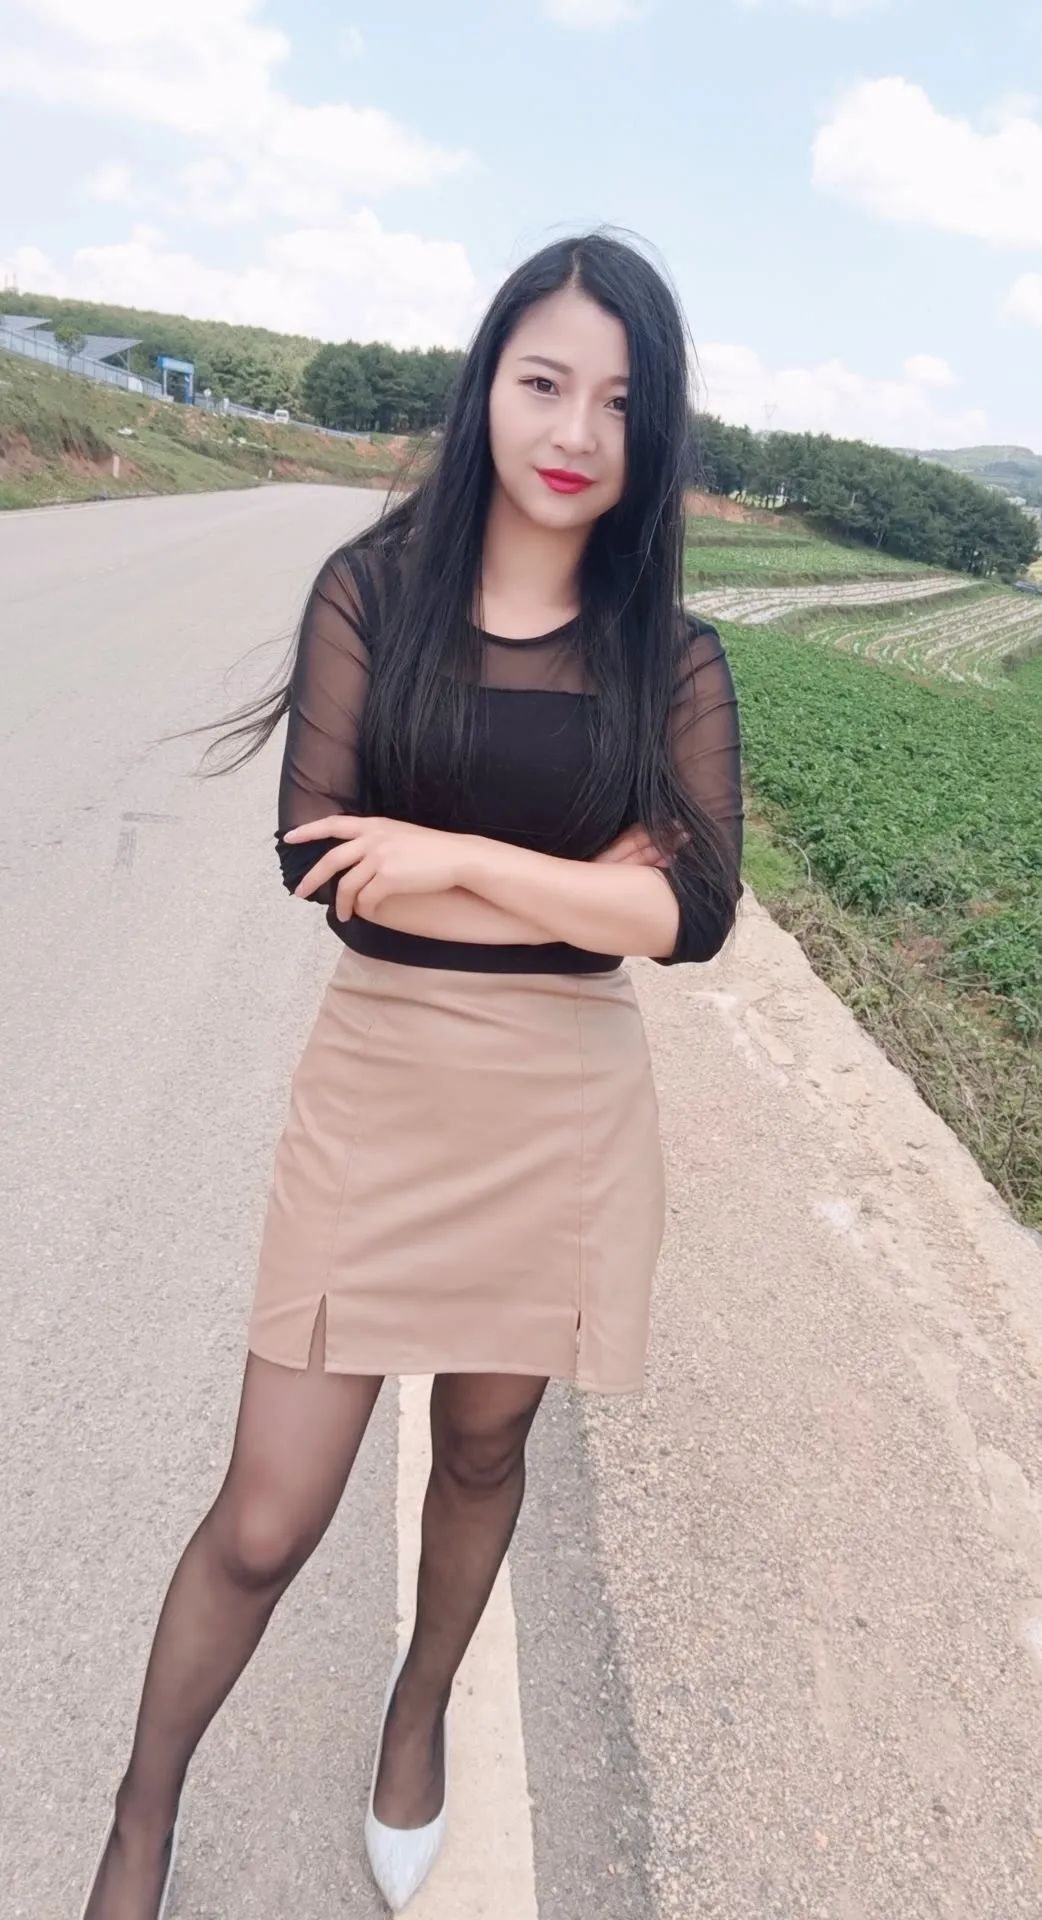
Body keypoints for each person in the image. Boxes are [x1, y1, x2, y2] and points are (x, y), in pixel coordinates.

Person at [78, 227, 744, 1920]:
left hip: (559, 1110)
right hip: (379, 1086)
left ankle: (418, 1710)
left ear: (655, 426)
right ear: (485, 386)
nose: (574, 429)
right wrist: (577, 877)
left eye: (618, 400)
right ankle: (139, 1824)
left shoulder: (669, 659)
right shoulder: (370, 595)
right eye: (544, 381)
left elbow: (691, 916)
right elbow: (321, 865)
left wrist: (450, 855)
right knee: (265, 1515)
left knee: (482, 1448)